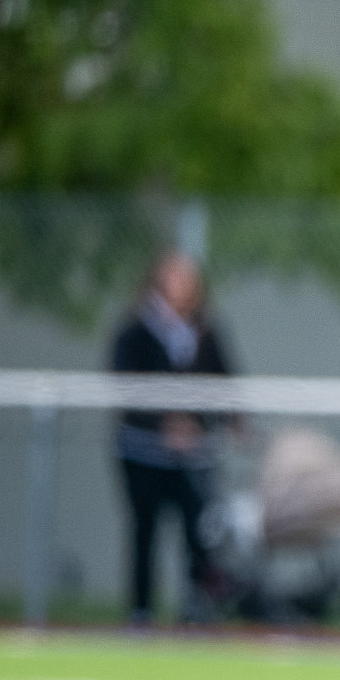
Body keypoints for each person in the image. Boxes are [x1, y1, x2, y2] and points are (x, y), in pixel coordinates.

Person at [109, 251, 235, 625]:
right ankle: (141, 611)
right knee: (144, 531)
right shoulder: (134, 332)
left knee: (199, 534)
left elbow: (225, 384)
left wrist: (223, 422)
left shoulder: (206, 332)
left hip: (193, 456)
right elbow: (124, 391)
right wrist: (165, 423)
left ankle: (196, 611)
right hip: (143, 452)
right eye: (175, 278)